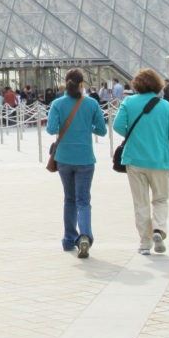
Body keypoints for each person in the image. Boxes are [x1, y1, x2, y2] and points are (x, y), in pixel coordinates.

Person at [114, 68, 169, 255]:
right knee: (160, 199)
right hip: (160, 159)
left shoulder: (129, 102)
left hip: (134, 159)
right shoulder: (166, 106)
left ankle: (145, 242)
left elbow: (117, 125)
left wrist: (133, 135)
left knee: (140, 202)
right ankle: (159, 229)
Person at [46, 68, 108, 258]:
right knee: (83, 201)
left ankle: (68, 239)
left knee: (69, 199)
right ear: (82, 84)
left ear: (66, 83)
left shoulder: (57, 104)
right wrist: (85, 126)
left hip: (64, 158)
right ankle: (85, 237)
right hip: (85, 159)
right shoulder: (91, 103)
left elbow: (51, 129)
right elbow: (102, 130)